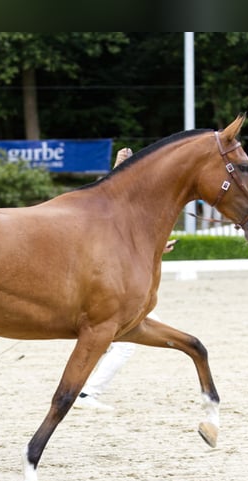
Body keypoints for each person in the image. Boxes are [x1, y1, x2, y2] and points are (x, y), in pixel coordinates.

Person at [74, 147, 176, 412]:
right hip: (115, 283)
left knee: (115, 342)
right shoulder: (120, 203)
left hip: (120, 280)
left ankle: (84, 390)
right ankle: (85, 393)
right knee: (123, 346)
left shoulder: (134, 204)